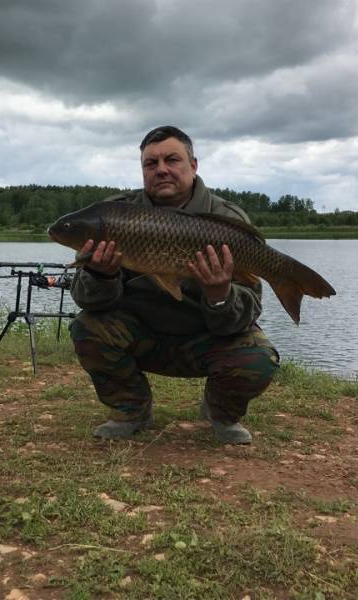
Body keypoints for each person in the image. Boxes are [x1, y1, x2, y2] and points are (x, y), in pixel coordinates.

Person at [69, 125, 279, 444]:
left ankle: (220, 412)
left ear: (193, 165)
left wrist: (220, 294)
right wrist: (102, 275)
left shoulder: (225, 218)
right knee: (87, 327)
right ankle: (132, 410)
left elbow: (248, 312)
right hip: (141, 336)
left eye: (172, 160)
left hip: (206, 340)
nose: (162, 170)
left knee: (258, 355)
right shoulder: (116, 215)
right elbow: (87, 301)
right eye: (150, 164)